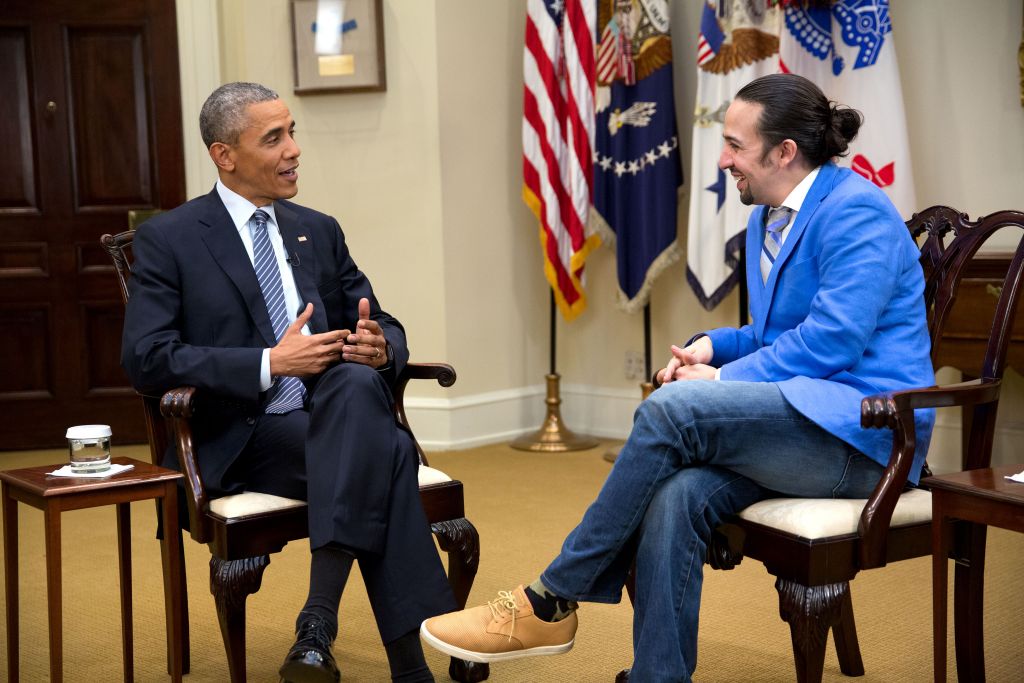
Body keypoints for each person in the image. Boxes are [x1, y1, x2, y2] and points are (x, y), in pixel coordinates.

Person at [419, 73, 936, 682]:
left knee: (672, 411)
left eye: (736, 146)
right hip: (802, 424)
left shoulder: (858, 213)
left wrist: (716, 384)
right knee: (676, 495)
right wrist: (708, 349)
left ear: (784, 153)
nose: (722, 160)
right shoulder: (768, 216)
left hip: (867, 442)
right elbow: (774, 336)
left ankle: (552, 598)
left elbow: (833, 340)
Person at [121, 82, 455, 683]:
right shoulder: (170, 238)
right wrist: (269, 364)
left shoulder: (316, 229)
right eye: (273, 138)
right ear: (225, 155)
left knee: (356, 390)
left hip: (330, 417)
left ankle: (316, 627)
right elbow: (147, 357)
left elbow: (382, 319)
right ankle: (409, 667)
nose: (294, 149)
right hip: (239, 434)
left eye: (293, 132)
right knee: (389, 452)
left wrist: (381, 349)